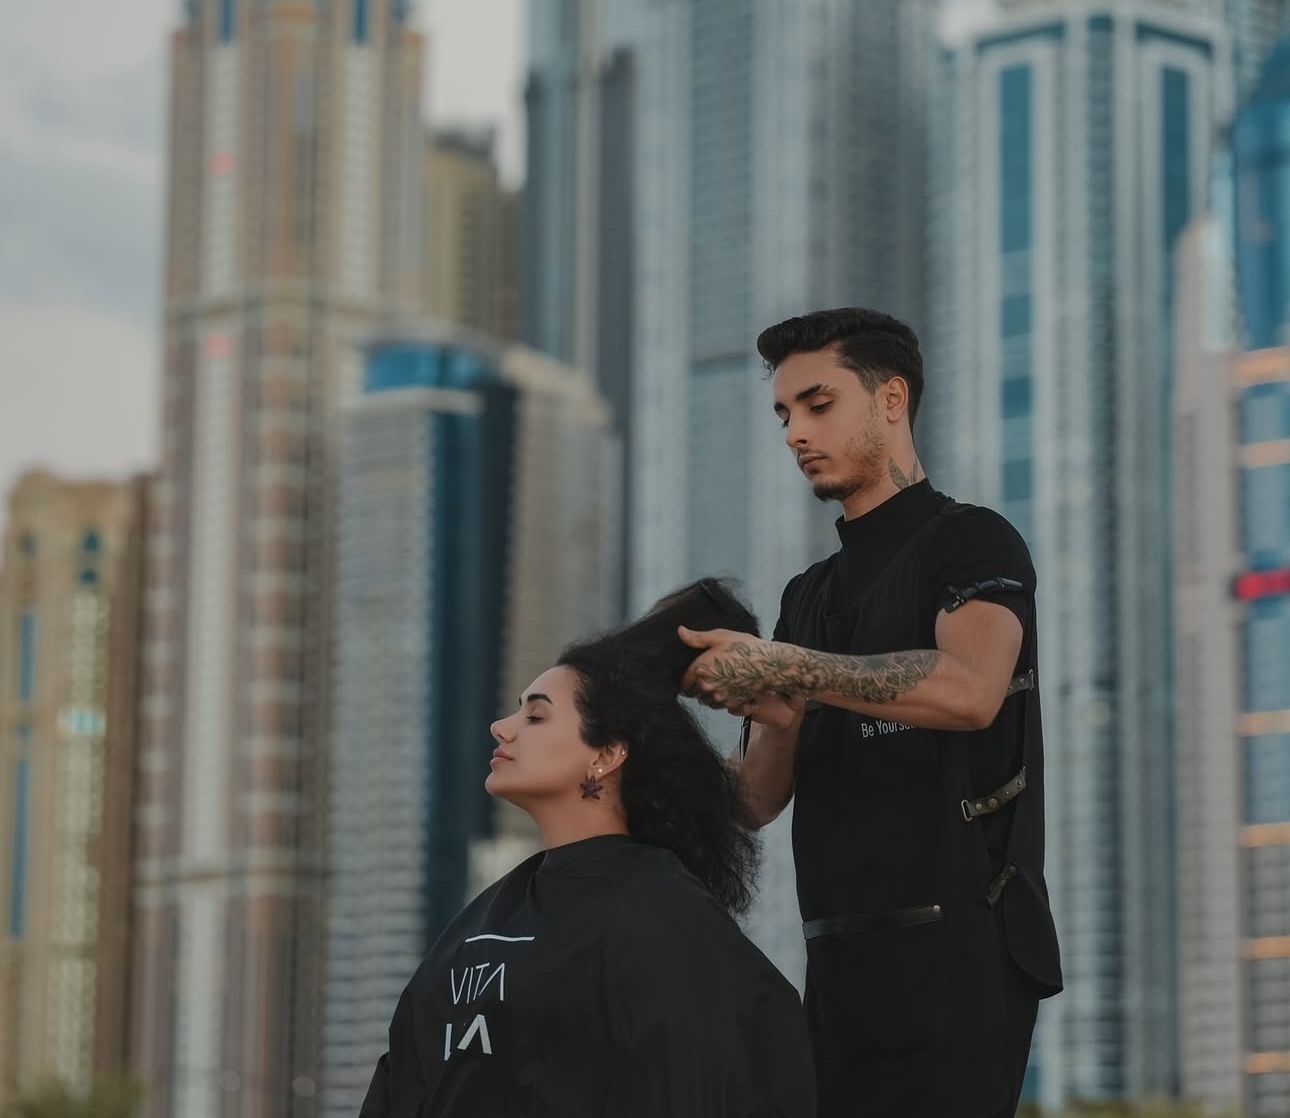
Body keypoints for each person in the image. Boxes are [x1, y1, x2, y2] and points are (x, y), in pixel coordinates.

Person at [680, 309, 1062, 1118]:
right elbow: (754, 800)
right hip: (836, 956)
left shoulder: (975, 542)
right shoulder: (806, 595)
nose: (795, 432)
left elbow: (971, 690)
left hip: (959, 955)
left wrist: (790, 667)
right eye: (784, 414)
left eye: (818, 404)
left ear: (891, 398)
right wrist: (775, 715)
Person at [359, 578, 817, 1118]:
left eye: (535, 715)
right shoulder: (481, 922)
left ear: (607, 754)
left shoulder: (660, 918)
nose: (501, 727)